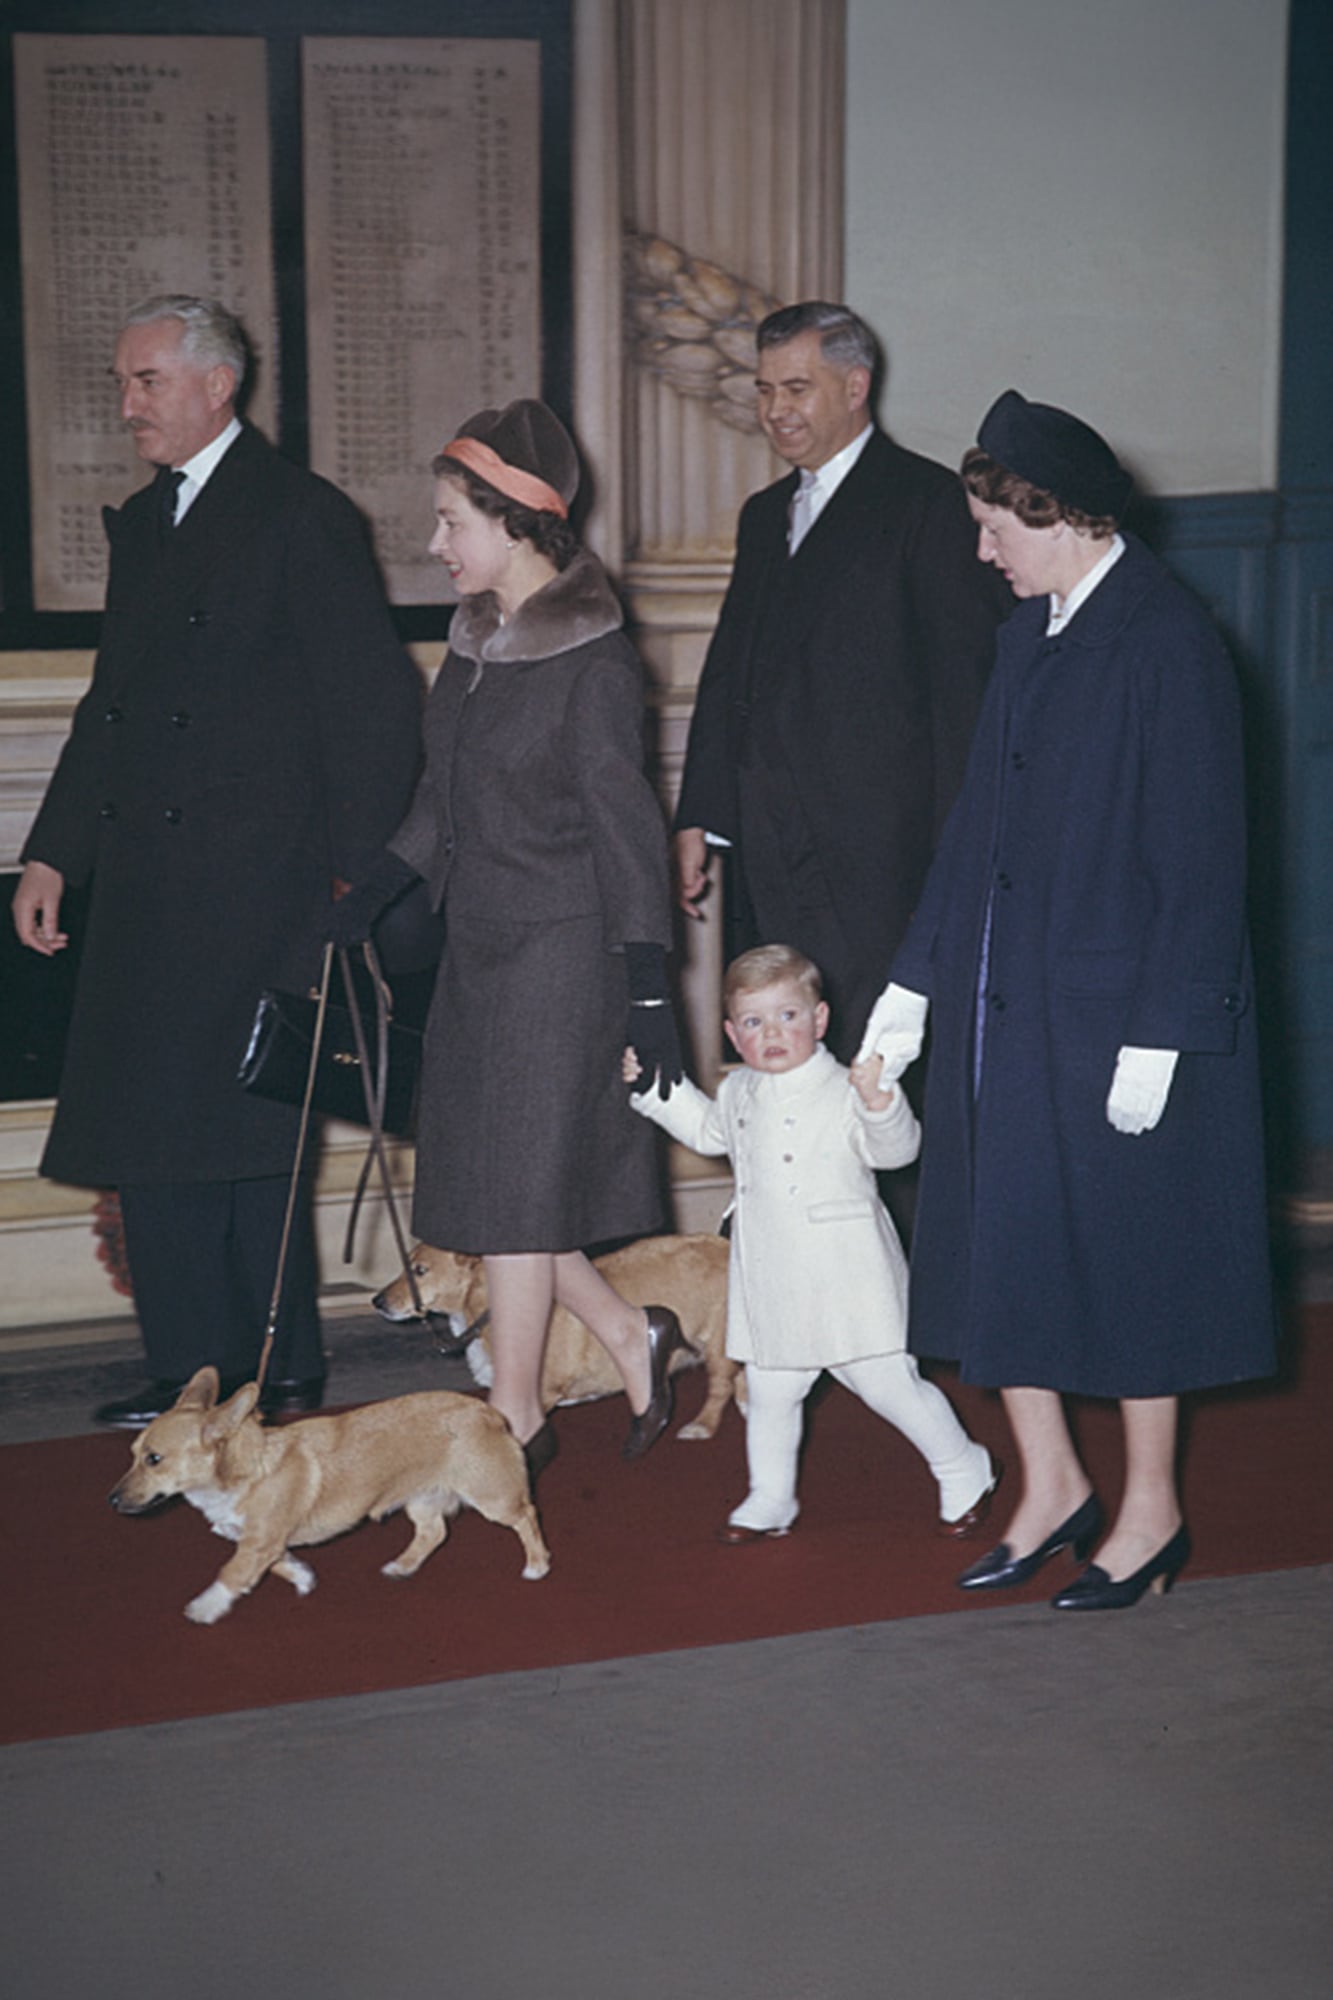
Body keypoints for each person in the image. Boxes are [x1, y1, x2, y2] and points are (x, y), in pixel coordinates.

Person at [859, 390, 1278, 1610]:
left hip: (1118, 1017)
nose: (982, 550)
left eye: (996, 526)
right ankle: (1048, 1482)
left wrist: (1167, 1029)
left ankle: (1149, 1508)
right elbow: (972, 830)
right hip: (1012, 1005)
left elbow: (1205, 860)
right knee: (1004, 1246)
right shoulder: (1027, 633)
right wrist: (909, 987)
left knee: (1137, 1265)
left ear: (1063, 518)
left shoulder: (1167, 639)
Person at [11, 295, 422, 1426]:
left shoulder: (300, 515)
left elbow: (375, 711)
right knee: (153, 1131)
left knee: (247, 1133)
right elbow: (113, 708)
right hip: (147, 881)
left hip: (261, 883)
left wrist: (350, 882)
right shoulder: (147, 523)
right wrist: (53, 852)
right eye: (125, 381)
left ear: (215, 385)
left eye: (145, 380)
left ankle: (276, 1365)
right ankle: (187, 1367)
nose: (128, 402)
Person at [330, 399, 688, 1474]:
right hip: (480, 953)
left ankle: (518, 1417)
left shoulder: (596, 663)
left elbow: (630, 833)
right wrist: (377, 883)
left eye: (450, 522)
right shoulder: (478, 644)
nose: (435, 544)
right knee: (501, 1193)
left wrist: (647, 984)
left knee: (521, 1204)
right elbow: (442, 798)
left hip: (566, 957)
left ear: (518, 523)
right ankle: (634, 1333)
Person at [672, 301, 1006, 1061]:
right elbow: (730, 673)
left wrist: (957, 862)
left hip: (883, 869)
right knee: (786, 1074)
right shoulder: (765, 516)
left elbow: (964, 698)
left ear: (854, 387)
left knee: (881, 1072)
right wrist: (699, 813)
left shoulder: (927, 505)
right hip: (770, 852)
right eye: (763, 391)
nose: (775, 411)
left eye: (796, 388)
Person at [624, 944, 997, 1541]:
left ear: (819, 1019)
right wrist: (654, 1090)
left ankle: (963, 1465)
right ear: (731, 1033)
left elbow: (896, 1151)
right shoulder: (738, 1091)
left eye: (788, 1016)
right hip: (773, 1277)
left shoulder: (847, 1086)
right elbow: (705, 1129)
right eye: (753, 1022)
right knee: (771, 1392)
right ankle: (771, 1497)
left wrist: (881, 1103)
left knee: (888, 1384)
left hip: (848, 1275)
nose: (772, 1033)